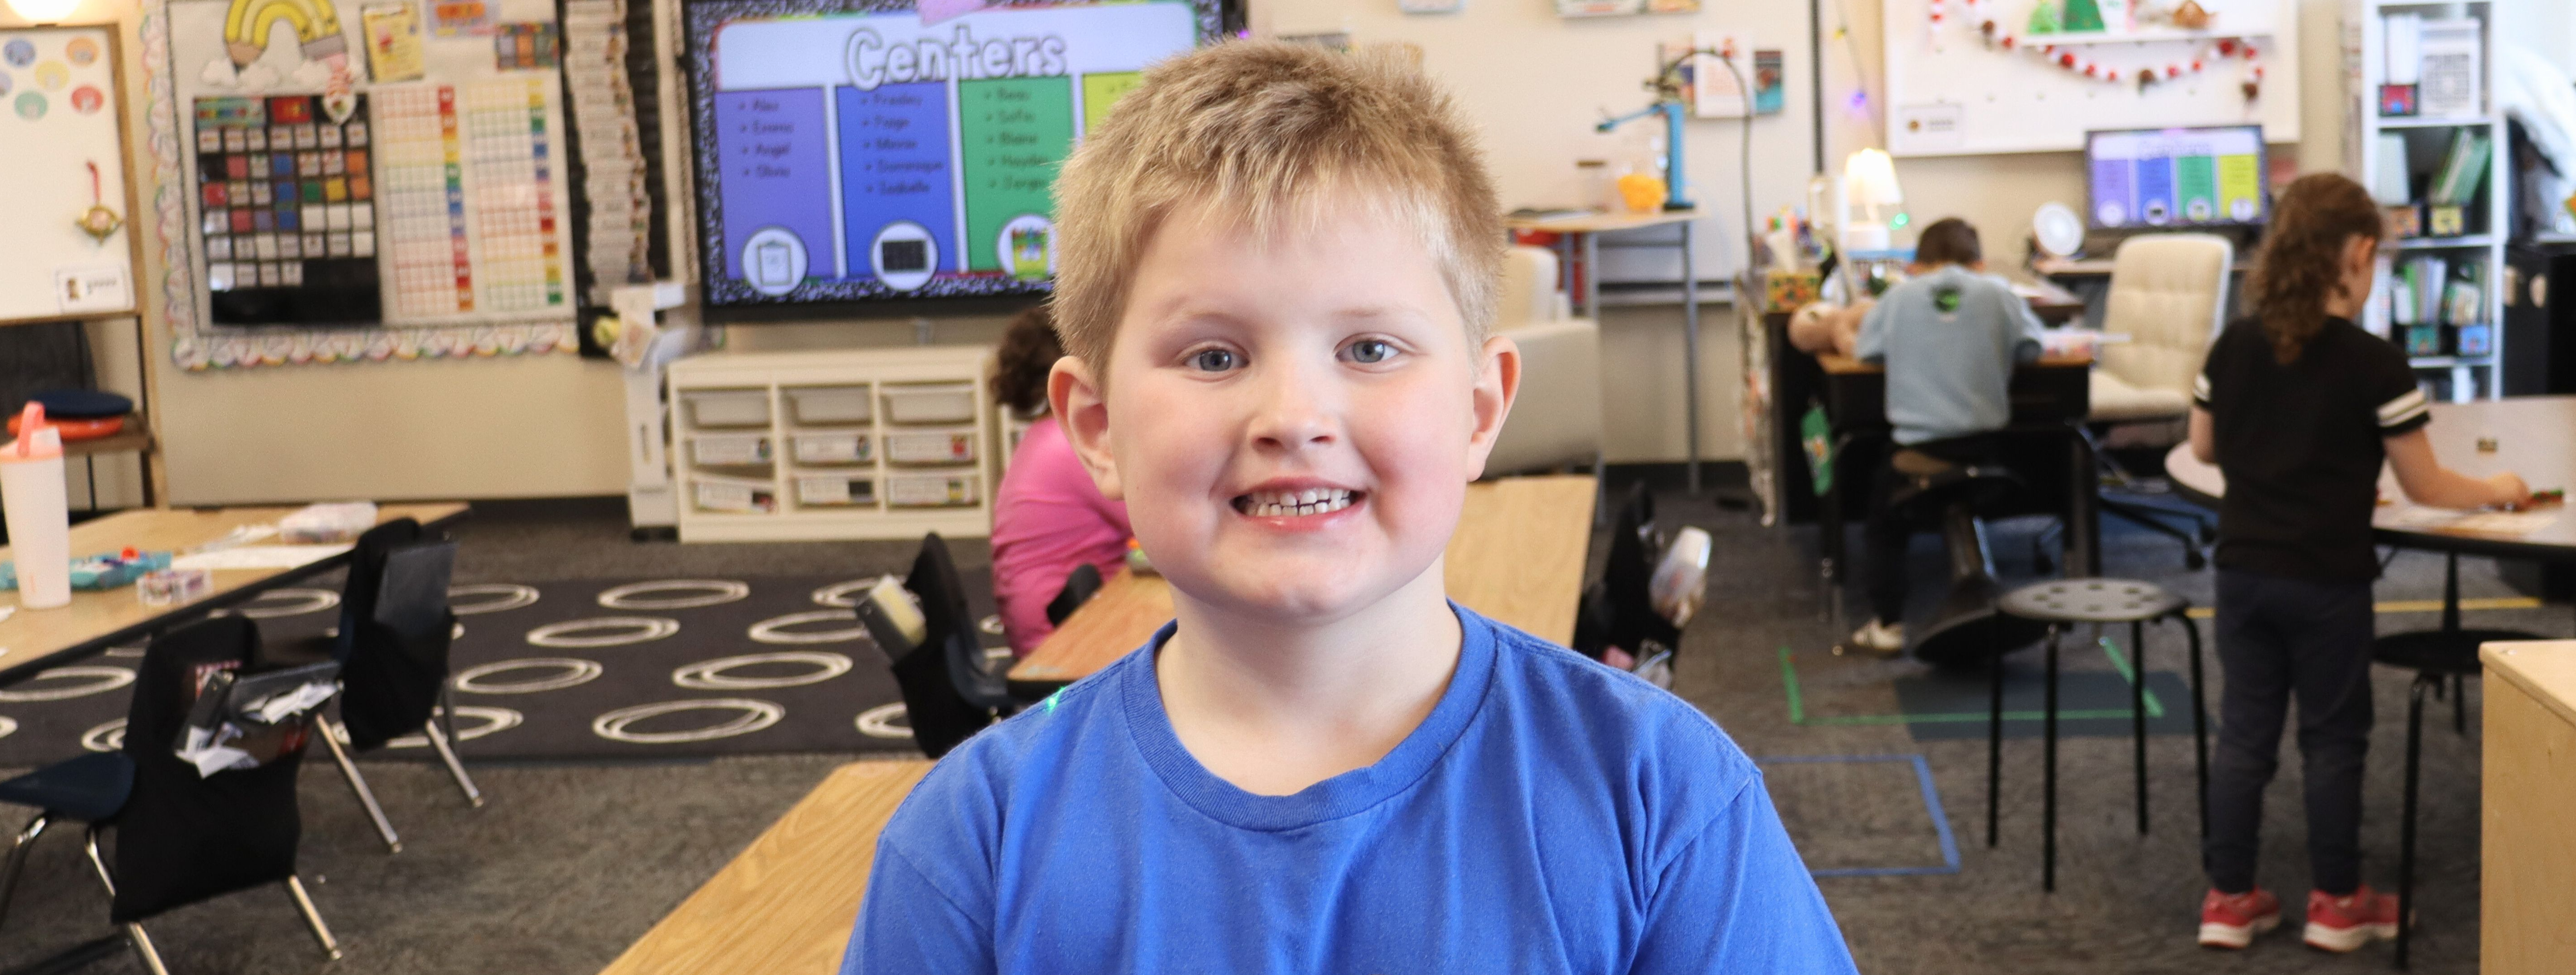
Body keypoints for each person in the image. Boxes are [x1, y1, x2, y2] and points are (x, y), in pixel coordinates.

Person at [841, 41, 1855, 973]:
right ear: (1098, 428)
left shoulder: (1661, 795)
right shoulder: (975, 842)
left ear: (1478, 408)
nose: (1293, 415)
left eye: (1369, 349)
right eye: (1214, 355)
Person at [2186, 172, 2528, 953]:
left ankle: (2228, 898)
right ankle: (2338, 901)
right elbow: (2425, 484)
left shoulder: (2233, 344)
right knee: (2332, 741)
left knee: (2243, 737)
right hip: (2326, 582)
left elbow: (2205, 446)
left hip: (2241, 575)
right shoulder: (2373, 362)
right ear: (2361, 254)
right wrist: (2498, 490)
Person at [1841, 217, 2045, 656]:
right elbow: (2033, 347)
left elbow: (1867, 351)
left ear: (1916, 264)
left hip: (1918, 452)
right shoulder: (1998, 292)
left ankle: (1889, 624)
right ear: (1980, 262)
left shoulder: (1898, 298)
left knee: (1882, 525)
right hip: (1989, 449)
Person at [986, 306, 1134, 655]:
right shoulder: (1068, 447)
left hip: (1050, 625)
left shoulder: (1043, 436)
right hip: (1060, 643)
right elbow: (1158, 525)